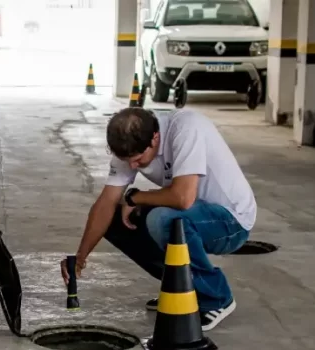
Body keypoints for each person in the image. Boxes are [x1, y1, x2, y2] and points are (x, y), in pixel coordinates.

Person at [60, 107, 257, 331]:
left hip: (231, 221)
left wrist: (136, 197)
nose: (133, 166)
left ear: (155, 138)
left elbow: (183, 198)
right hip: (195, 214)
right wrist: (80, 257)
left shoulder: (186, 128)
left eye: (138, 159)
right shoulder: (131, 142)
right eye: (128, 161)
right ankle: (180, 286)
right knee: (114, 217)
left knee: (162, 219)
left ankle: (216, 297)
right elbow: (105, 204)